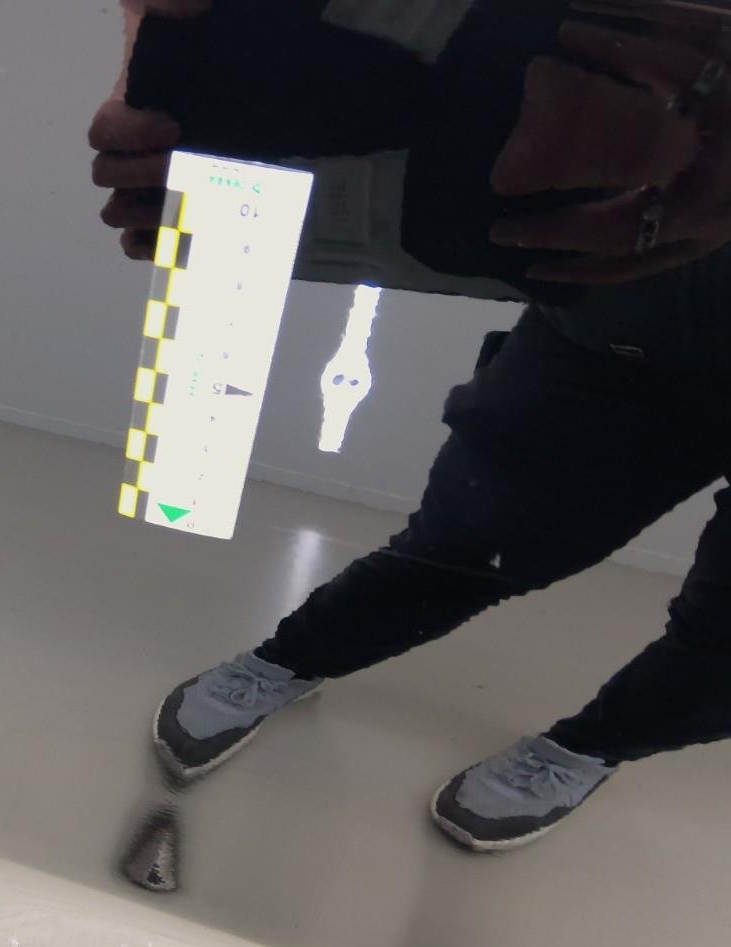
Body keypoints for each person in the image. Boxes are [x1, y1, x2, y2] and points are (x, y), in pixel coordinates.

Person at [91, 0, 731, 851]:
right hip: (619, 320)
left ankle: (590, 748)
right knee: (472, 539)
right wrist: (176, 49)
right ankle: (290, 660)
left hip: (624, 269)